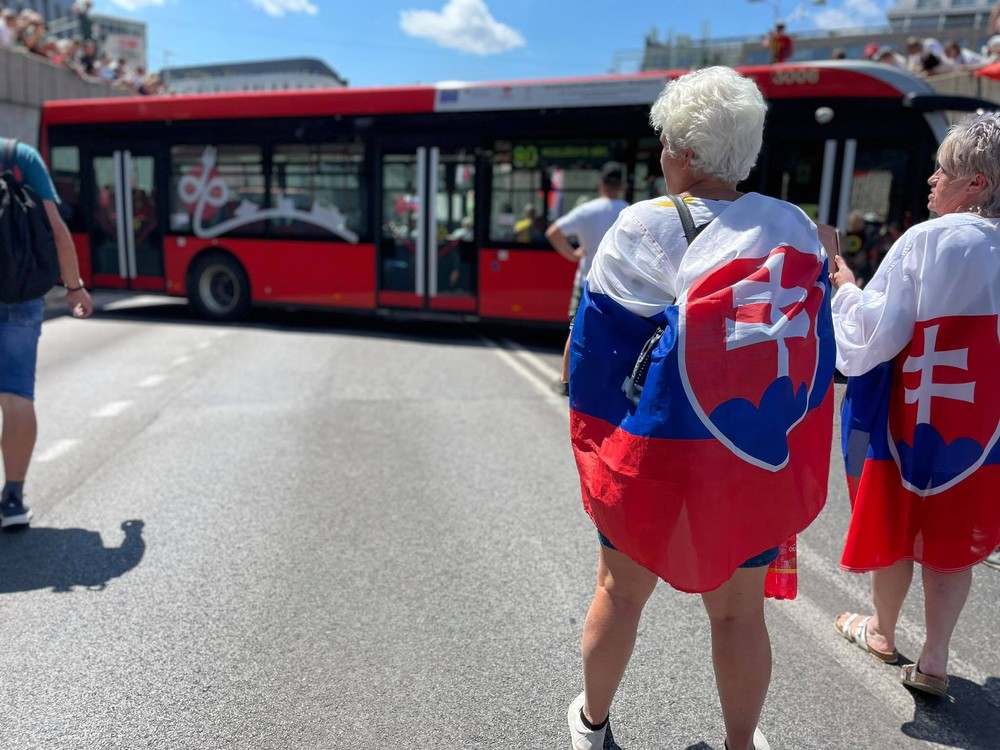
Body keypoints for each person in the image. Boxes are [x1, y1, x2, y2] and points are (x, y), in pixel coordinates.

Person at [566, 67, 834, 750]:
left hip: (655, 453)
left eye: (664, 144)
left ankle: (592, 727)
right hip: (748, 452)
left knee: (620, 593)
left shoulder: (640, 228)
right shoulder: (792, 226)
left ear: (684, 153)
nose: (661, 157)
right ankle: (741, 744)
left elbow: (592, 357)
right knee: (740, 615)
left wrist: (602, 459)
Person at [830, 112, 1000, 698]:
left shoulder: (929, 239)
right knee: (955, 534)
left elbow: (873, 337)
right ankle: (934, 657)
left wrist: (845, 287)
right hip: (984, 427)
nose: (931, 180)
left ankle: (880, 630)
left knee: (899, 520)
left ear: (976, 183)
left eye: (943, 170)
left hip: (915, 413)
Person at [0, 138, 94, 528]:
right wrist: (73, 286)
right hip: (19, 294)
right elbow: (56, 229)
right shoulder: (18, 155)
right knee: (17, 394)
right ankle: (12, 501)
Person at [545, 161, 627, 395]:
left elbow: (553, 233)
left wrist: (572, 255)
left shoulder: (588, 210)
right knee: (616, 333)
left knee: (577, 330)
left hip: (588, 282)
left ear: (600, 184)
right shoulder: (631, 211)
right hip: (619, 285)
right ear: (621, 186)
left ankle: (567, 383)